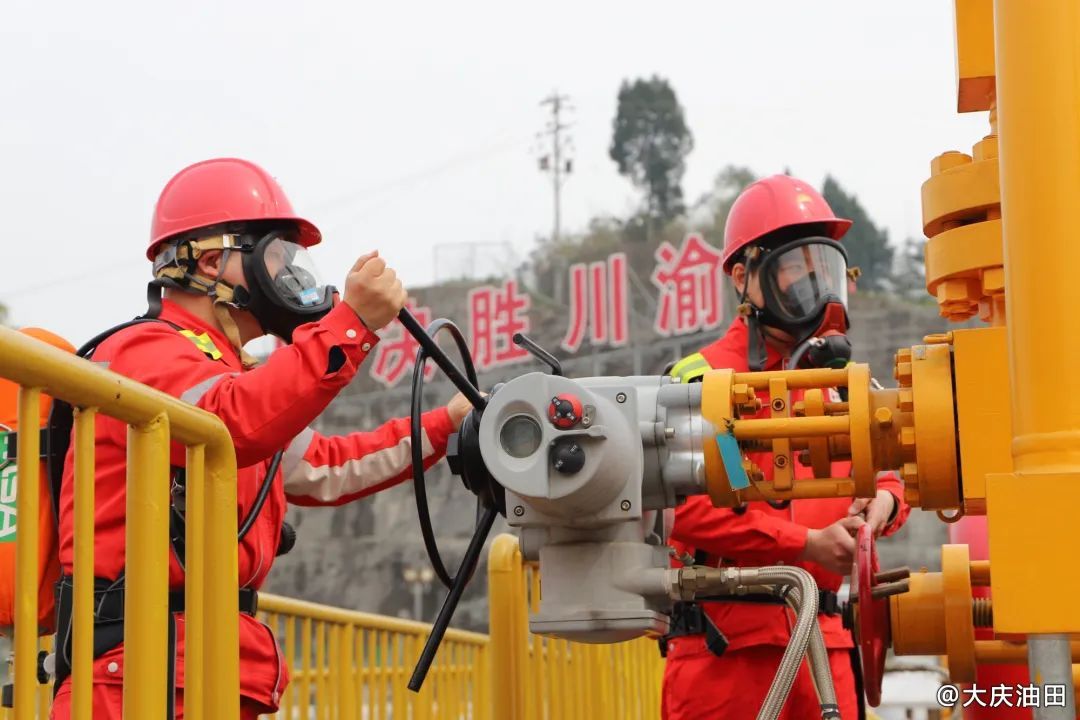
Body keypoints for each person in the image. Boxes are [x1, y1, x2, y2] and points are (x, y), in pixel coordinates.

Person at [48, 158, 473, 719]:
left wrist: (446, 423)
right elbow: (232, 421)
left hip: (202, 665)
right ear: (211, 262)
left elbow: (328, 465)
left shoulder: (231, 377)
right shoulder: (142, 351)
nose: (291, 274)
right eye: (277, 255)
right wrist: (350, 325)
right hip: (135, 677)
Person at [659, 174, 911, 720]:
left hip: (827, 651)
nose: (814, 285)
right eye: (794, 266)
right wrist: (807, 544)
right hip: (727, 656)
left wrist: (883, 505)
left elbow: (892, 470)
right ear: (743, 277)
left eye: (823, 266)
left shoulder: (840, 385)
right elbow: (686, 508)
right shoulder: (699, 382)